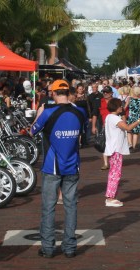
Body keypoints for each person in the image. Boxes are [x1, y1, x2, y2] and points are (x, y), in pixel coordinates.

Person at [30, 79, 86, 258]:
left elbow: (32, 131)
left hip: (52, 165)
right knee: (71, 206)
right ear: (68, 93)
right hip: (72, 164)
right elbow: (81, 135)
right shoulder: (80, 112)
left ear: (53, 93)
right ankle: (70, 247)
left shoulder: (48, 112)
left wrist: (39, 114)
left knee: (49, 207)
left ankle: (47, 248)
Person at [104, 98, 140, 207]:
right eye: (120, 106)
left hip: (113, 148)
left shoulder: (110, 117)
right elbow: (127, 127)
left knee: (114, 172)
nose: (122, 107)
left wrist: (123, 115)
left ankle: (111, 196)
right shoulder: (114, 118)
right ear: (116, 107)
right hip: (116, 149)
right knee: (115, 173)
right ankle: (110, 197)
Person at [92, 86, 115, 170]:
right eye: (104, 92)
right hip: (102, 126)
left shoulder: (115, 101)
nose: (105, 94)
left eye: (107, 92)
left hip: (114, 126)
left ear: (111, 93)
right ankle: (106, 163)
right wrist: (93, 126)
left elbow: (122, 113)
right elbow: (94, 114)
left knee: (113, 144)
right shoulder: (98, 101)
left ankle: (113, 160)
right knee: (104, 143)